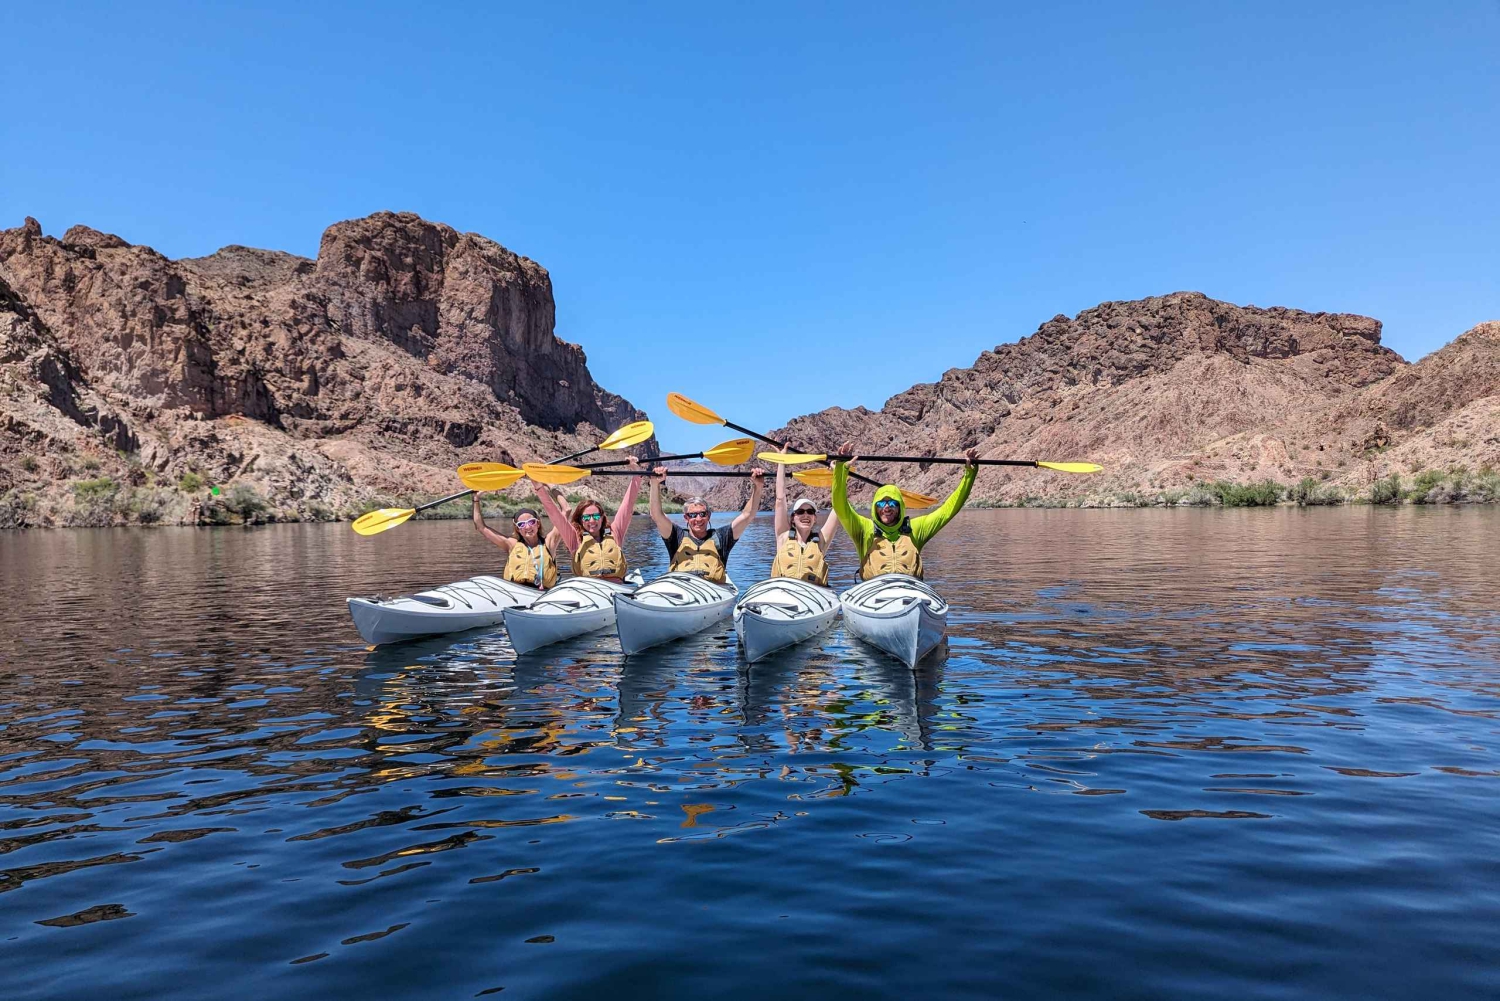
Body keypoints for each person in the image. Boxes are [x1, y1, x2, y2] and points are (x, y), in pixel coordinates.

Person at [831, 440, 979, 580]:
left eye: (892, 503)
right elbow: (840, 505)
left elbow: (948, 510)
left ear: (900, 507)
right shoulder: (863, 529)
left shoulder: (915, 529)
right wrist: (841, 469)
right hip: (874, 595)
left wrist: (969, 476)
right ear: (875, 507)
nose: (886, 507)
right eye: (881, 504)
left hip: (910, 591)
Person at [530, 456, 645, 583]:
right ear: (580, 520)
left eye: (596, 516)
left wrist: (636, 473)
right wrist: (539, 487)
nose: (592, 521)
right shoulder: (574, 538)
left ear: (602, 518)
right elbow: (554, 513)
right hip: (589, 590)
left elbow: (627, 506)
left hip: (616, 589)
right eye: (586, 517)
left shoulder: (615, 532)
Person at [648, 465, 765, 584]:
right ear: (686, 518)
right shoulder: (676, 536)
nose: (698, 519)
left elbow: (747, 516)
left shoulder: (722, 537)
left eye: (702, 514)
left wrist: (758, 486)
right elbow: (657, 515)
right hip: (681, 590)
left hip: (712, 591)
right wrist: (654, 483)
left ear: (709, 515)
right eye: (693, 515)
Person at [769, 444, 840, 586]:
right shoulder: (783, 536)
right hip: (783, 595)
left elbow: (839, 507)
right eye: (800, 512)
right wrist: (782, 461)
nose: (805, 515)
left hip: (812, 598)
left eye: (810, 512)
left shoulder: (821, 540)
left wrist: (839, 473)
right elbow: (780, 499)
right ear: (793, 519)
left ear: (815, 518)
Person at [472, 492, 561, 589]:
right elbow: (480, 527)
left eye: (531, 522)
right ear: (518, 529)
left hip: (540, 593)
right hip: (515, 592)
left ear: (538, 524)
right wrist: (476, 499)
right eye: (522, 524)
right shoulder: (512, 545)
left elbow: (565, 513)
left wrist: (549, 488)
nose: (527, 527)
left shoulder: (548, 543)